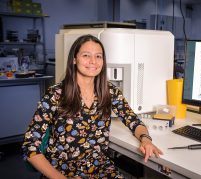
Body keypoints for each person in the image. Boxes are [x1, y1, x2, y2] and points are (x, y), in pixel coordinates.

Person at [22, 34, 163, 179]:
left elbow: (134, 121)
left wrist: (146, 140)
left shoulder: (109, 91)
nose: (93, 61)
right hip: (62, 171)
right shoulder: (56, 94)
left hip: (100, 169)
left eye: (98, 56)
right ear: (74, 59)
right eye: (86, 55)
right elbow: (30, 146)